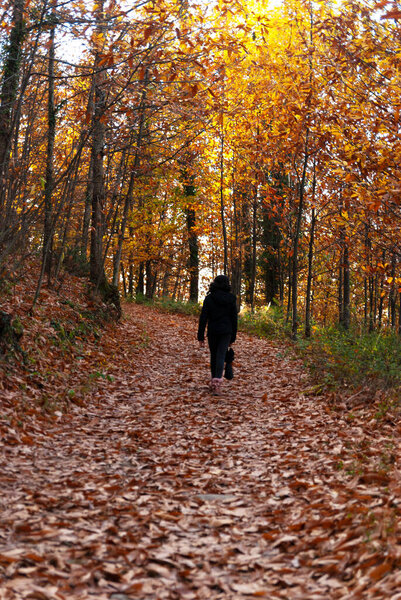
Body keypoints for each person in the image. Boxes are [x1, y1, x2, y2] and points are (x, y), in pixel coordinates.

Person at [197, 275, 238, 395]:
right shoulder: (231, 298)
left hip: (213, 331)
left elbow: (203, 318)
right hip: (226, 331)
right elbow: (234, 319)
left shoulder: (209, 298)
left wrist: (200, 335)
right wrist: (233, 336)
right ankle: (217, 384)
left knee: (214, 356)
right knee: (221, 355)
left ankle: (214, 382)